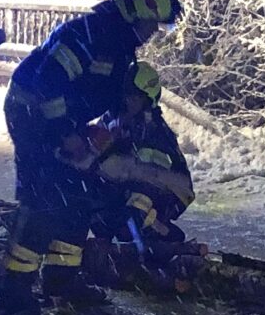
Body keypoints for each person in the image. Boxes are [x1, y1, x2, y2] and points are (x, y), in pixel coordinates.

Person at [0, 0, 178, 315]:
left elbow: (103, 90)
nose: (152, 32)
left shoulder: (118, 44)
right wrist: (66, 133)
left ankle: (62, 280)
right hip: (31, 113)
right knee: (44, 198)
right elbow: (48, 82)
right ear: (132, 12)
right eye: (150, 23)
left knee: (77, 194)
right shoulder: (87, 35)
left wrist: (116, 124)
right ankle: (14, 287)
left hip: (64, 120)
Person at [82, 61, 201, 288]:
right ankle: (109, 249)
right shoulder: (112, 118)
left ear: (147, 98)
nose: (128, 100)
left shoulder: (154, 130)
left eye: (134, 96)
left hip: (166, 193)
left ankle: (160, 240)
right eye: (125, 94)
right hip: (128, 188)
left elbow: (153, 177)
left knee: (135, 210)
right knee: (95, 203)